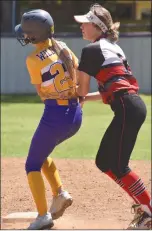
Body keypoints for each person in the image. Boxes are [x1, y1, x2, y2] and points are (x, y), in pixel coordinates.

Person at [74, 3, 152, 230]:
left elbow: (80, 88)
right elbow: (113, 86)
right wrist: (84, 99)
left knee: (119, 166)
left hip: (128, 107)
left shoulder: (91, 50)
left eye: (85, 23)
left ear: (97, 26)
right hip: (130, 106)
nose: (81, 27)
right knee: (104, 162)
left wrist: (74, 91)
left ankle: (148, 211)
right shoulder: (112, 47)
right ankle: (144, 207)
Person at [15, 9, 82, 230]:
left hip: (55, 115)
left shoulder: (33, 59)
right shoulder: (63, 47)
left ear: (34, 35)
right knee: (41, 154)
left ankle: (43, 216)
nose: (24, 35)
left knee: (32, 164)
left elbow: (41, 92)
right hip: (75, 114)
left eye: (27, 33)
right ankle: (60, 194)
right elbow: (79, 75)